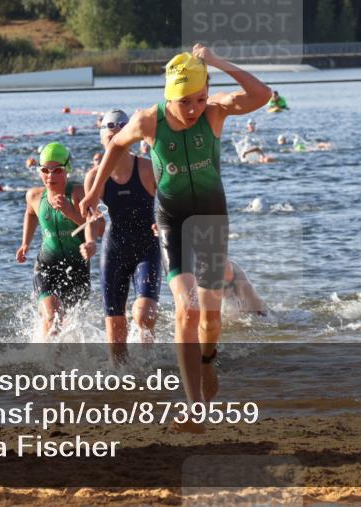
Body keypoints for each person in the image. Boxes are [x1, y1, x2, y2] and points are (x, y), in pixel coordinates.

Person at [80, 45, 271, 422]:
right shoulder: (149, 121)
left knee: (211, 318)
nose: (194, 108)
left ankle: (207, 359)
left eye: (200, 98)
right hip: (173, 218)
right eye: (186, 101)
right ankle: (194, 406)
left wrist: (216, 62)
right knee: (187, 307)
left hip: (212, 219)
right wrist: (93, 190)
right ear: (170, 96)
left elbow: (262, 95)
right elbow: (116, 146)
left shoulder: (215, 112)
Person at [84, 109, 162, 362]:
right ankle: (121, 382)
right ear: (102, 138)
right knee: (116, 333)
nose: (115, 137)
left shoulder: (149, 169)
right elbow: (91, 220)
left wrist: (164, 222)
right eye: (110, 132)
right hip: (114, 249)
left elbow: (171, 201)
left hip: (146, 247)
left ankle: (148, 359)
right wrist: (89, 239)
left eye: (120, 132)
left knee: (144, 315)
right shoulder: (94, 177)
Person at [16, 142, 93, 337]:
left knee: (69, 322)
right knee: (52, 315)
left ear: (67, 169)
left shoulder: (78, 193)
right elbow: (30, 214)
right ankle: (46, 361)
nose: (50, 176)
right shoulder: (34, 196)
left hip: (77, 267)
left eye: (57, 170)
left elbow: (98, 226)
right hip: (46, 265)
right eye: (45, 170)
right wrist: (25, 243)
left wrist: (70, 212)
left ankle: (64, 360)